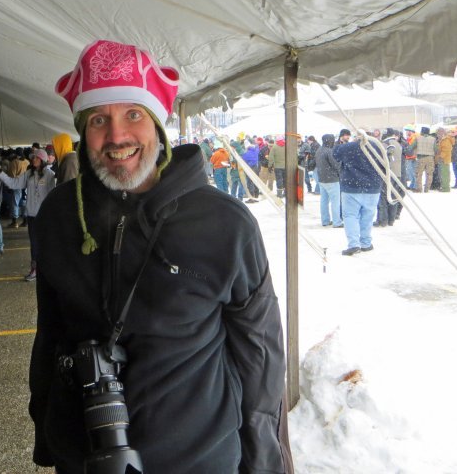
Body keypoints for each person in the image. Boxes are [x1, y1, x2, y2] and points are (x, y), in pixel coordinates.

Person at [30, 40, 293, 473]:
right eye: (99, 119)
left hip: (198, 459)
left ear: (157, 123)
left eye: (133, 114)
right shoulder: (60, 214)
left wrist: (264, 460)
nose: (117, 136)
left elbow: (260, 356)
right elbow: (50, 333)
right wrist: (48, 432)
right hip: (84, 458)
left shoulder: (224, 222)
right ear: (82, 129)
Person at [0, 149, 56, 281]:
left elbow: (52, 196)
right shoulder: (29, 173)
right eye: (32, 157)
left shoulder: (49, 175)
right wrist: (0, 174)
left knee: (46, 243)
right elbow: (14, 184)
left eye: (35, 158)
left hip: (45, 216)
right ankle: (35, 269)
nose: (32, 159)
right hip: (32, 216)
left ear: (42, 160)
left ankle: (47, 269)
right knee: (34, 244)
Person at [333, 133, 383, 255]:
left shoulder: (349, 147)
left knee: (350, 216)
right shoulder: (378, 147)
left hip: (351, 186)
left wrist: (341, 142)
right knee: (368, 216)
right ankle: (365, 243)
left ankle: (354, 244)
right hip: (372, 187)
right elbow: (385, 164)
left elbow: (335, 154)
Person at [315, 134, 342, 228]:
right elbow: (336, 165)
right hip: (332, 180)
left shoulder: (319, 150)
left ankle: (325, 221)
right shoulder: (329, 151)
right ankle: (337, 222)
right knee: (335, 201)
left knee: (324, 201)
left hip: (321, 179)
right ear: (330, 141)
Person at [413, 126, 436, 193]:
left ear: (421, 132)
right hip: (430, 158)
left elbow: (411, 147)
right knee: (429, 174)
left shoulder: (418, 138)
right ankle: (427, 189)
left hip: (421, 158)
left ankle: (419, 189)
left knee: (418, 174)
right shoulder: (433, 139)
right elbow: (436, 149)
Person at [435, 128, 454, 193]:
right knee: (443, 174)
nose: (437, 135)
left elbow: (446, 150)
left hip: (444, 160)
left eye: (438, 133)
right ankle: (444, 187)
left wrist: (440, 157)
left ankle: (445, 188)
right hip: (444, 159)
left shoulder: (446, 140)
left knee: (444, 174)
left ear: (442, 133)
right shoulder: (443, 139)